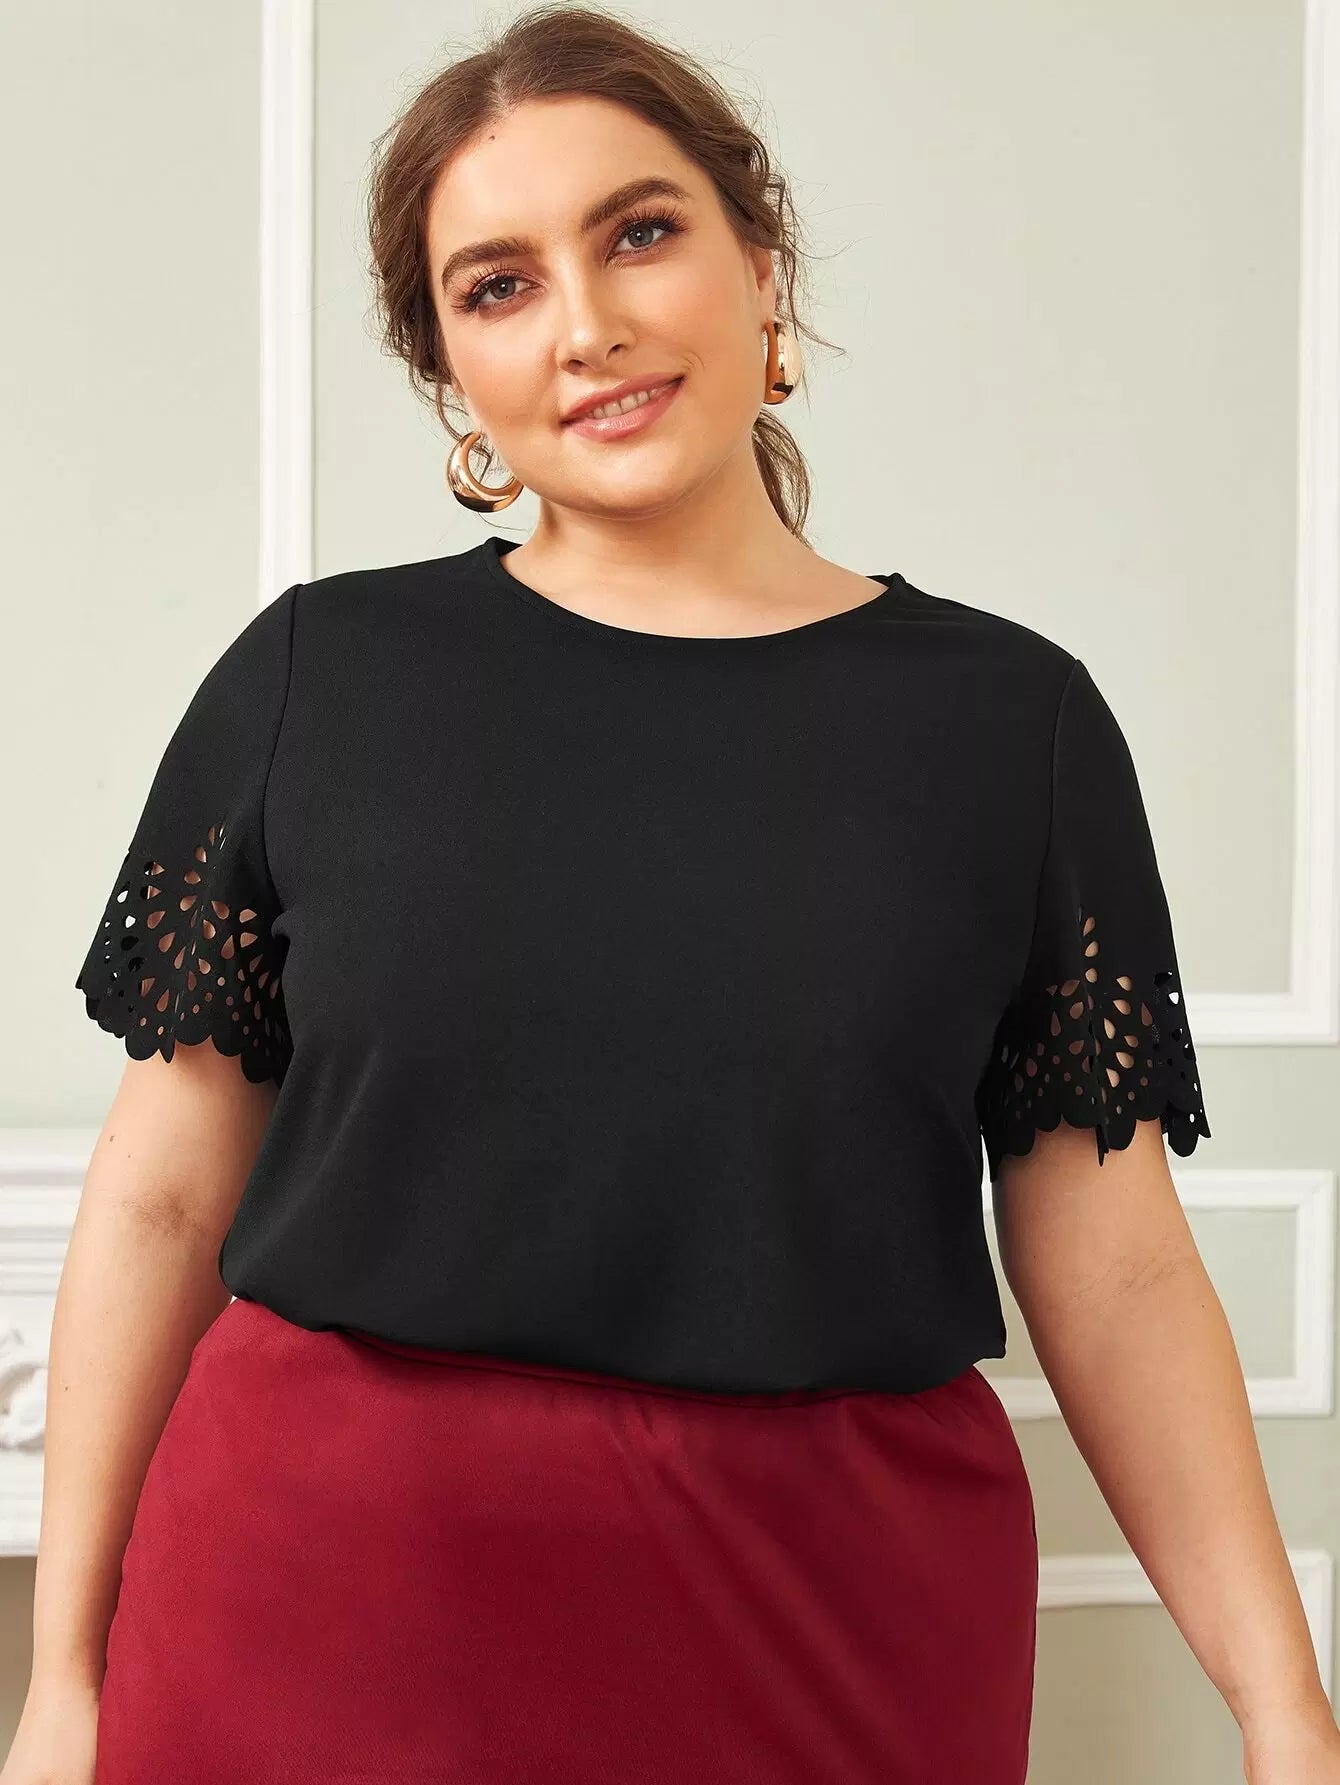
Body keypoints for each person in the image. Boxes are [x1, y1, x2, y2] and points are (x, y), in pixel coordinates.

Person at [11, 6, 1337, 1784]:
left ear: (759, 267)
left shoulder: (1010, 724)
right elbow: (166, 1195)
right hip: (324, 1608)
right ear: (451, 373)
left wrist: (1284, 1708)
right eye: (498, 286)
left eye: (638, 233)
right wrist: (64, 1676)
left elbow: (1118, 1261)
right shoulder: (317, 678)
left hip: (840, 1623)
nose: (587, 324)